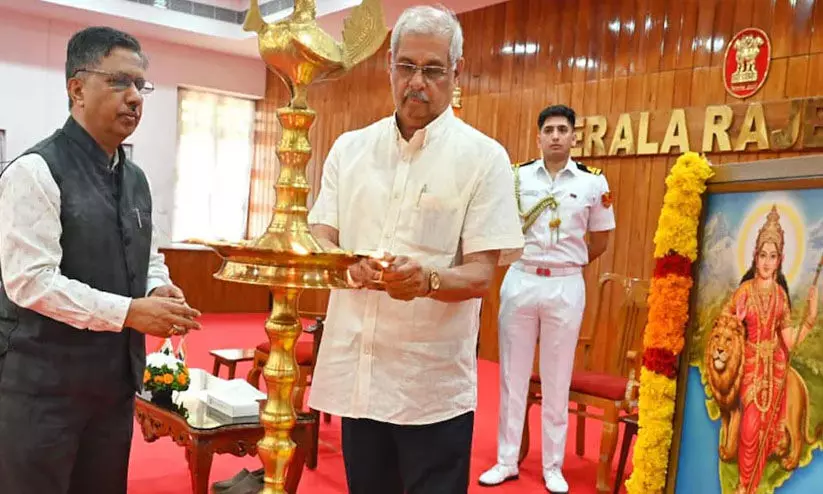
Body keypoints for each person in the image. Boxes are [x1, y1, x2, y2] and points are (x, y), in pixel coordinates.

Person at [306, 5, 524, 493]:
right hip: (359, 379)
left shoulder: (484, 159)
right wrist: (347, 266)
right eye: (406, 67)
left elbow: (482, 275)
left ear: (456, 72)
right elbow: (320, 237)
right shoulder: (349, 149)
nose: (416, 82)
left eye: (432, 70)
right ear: (389, 67)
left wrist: (427, 280)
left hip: (430, 388)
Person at [0, 26, 201, 494]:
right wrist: (130, 311)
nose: (135, 98)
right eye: (119, 82)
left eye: (140, 86)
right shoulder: (35, 171)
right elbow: (30, 281)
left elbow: (146, 256)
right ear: (76, 88)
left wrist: (156, 288)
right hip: (41, 391)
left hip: (112, 387)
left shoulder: (135, 178)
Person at [478, 104, 615, 493]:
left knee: (557, 378)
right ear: (538, 137)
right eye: (549, 130)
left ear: (574, 137)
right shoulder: (517, 177)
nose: (556, 136)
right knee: (511, 377)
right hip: (521, 279)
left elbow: (601, 238)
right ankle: (507, 460)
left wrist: (570, 263)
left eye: (563, 130)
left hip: (565, 285)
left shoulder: (593, 183)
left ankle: (553, 466)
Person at [719, 206, 817, 493]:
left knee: (764, 429)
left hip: (773, 369)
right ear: (755, 256)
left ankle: (748, 488)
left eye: (772, 256)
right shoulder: (744, 291)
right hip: (748, 365)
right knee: (748, 428)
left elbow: (788, 341)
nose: (766, 262)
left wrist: (809, 319)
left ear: (780, 260)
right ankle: (742, 484)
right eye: (762, 255)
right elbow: (725, 325)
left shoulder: (780, 297)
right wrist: (732, 326)